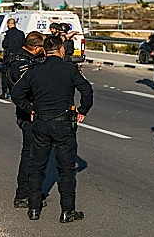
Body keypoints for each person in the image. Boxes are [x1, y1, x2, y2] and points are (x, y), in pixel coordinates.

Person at [10, 34, 94, 222]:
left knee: (37, 166)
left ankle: (33, 208)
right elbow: (87, 90)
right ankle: (67, 211)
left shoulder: (34, 70)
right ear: (61, 50)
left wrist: (29, 109)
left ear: (45, 51)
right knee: (65, 170)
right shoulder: (70, 69)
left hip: (40, 123)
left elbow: (16, 92)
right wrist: (82, 110)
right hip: (63, 124)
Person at [8, 31, 46, 208]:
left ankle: (33, 190)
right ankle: (22, 194)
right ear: (36, 47)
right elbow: (24, 89)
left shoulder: (32, 59)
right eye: (43, 47)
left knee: (38, 155)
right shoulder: (20, 62)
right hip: (28, 114)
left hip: (36, 113)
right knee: (29, 154)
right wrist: (30, 110)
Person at [0, 18, 25, 99]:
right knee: (18, 75)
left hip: (9, 57)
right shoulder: (21, 33)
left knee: (5, 74)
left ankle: (5, 92)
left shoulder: (8, 34)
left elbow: (4, 45)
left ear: (8, 24)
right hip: (19, 57)